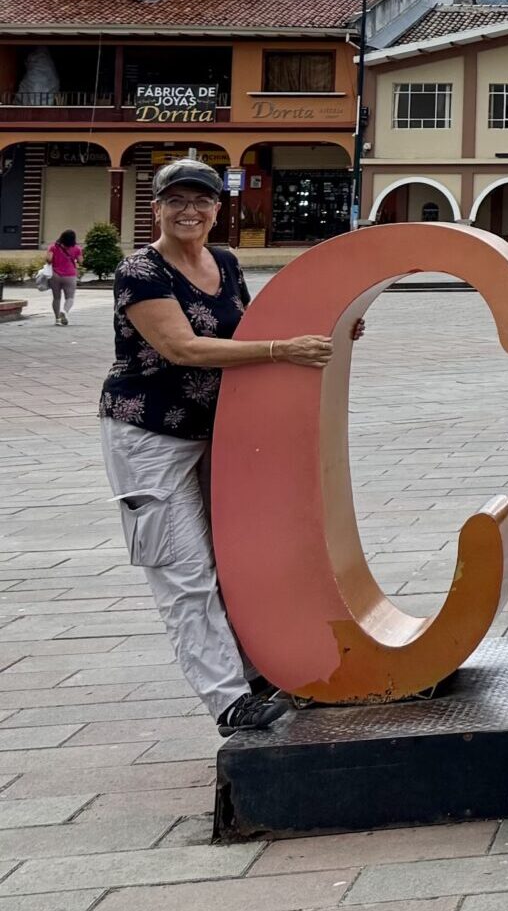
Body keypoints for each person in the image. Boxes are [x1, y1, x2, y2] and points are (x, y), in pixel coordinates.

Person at [100, 159, 336, 740]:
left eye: (201, 200)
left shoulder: (224, 263)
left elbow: (251, 329)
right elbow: (182, 348)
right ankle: (229, 701)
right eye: (177, 200)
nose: (190, 211)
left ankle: (260, 674)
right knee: (184, 571)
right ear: (156, 208)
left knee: (238, 559)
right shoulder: (140, 271)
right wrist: (283, 350)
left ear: (216, 208)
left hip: (219, 433)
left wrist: (332, 329)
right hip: (150, 437)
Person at [46, 228, 80, 325]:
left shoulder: (53, 247)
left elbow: (49, 259)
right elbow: (80, 260)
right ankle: (64, 312)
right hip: (70, 275)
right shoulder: (77, 248)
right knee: (70, 298)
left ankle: (57, 319)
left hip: (55, 275)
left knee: (56, 298)